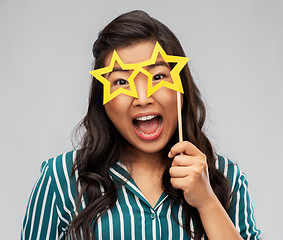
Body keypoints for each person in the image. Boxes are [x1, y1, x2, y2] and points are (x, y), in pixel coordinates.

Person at [21, 10, 261, 240]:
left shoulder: (226, 177)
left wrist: (207, 201)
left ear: (182, 88)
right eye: (122, 81)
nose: (144, 98)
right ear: (102, 99)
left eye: (158, 76)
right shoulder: (62, 177)